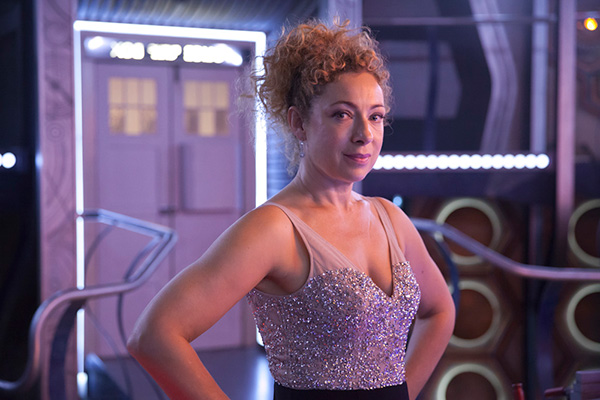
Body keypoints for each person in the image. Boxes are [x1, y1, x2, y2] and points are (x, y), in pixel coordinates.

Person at [127, 20, 455, 400]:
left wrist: (403, 393)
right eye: (342, 114)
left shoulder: (390, 218)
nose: (365, 134)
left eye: (376, 116)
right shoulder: (274, 228)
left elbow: (440, 311)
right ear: (299, 123)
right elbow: (154, 336)